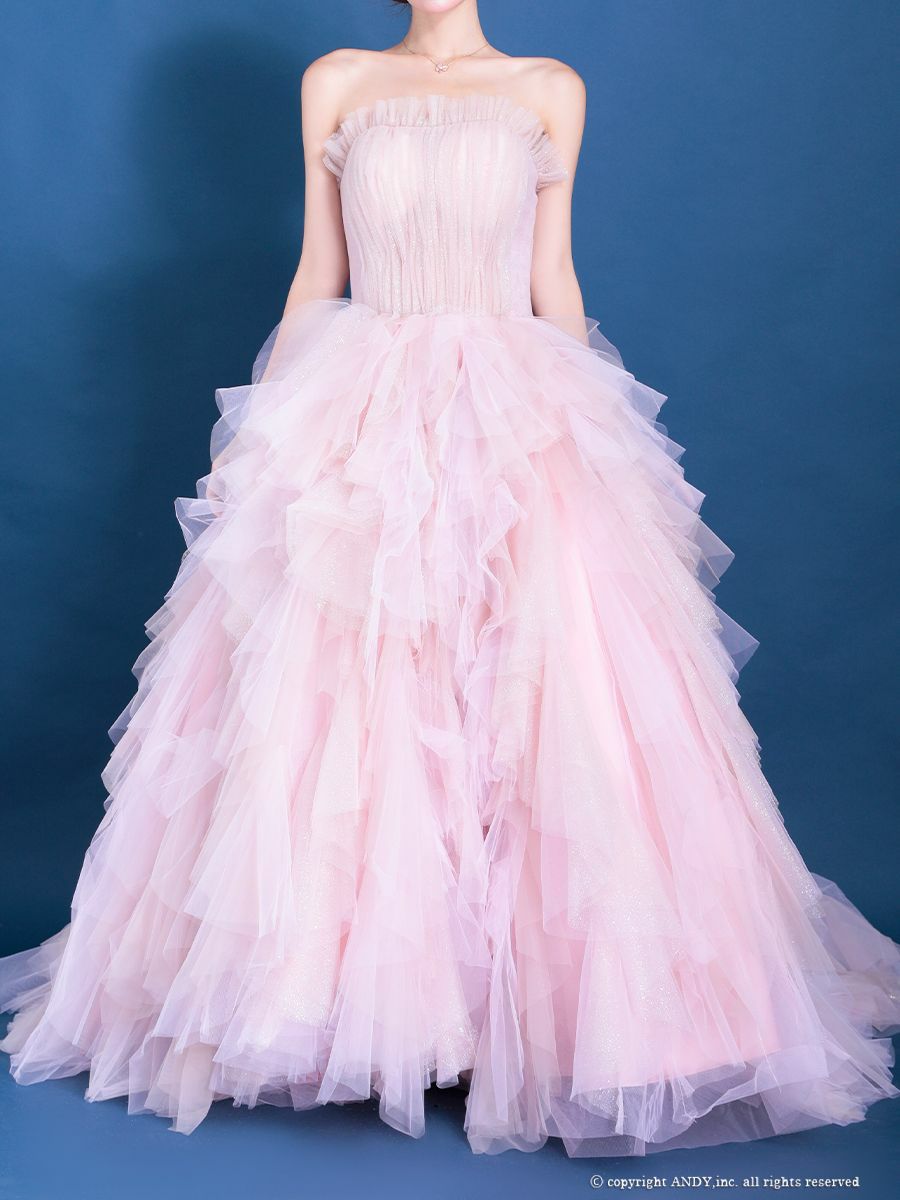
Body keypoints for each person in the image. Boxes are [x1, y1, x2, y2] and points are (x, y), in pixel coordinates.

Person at [1, 0, 898, 1159]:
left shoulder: (548, 87)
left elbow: (553, 274)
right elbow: (319, 271)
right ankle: (372, 1007)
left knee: (545, 700)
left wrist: (607, 450)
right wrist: (260, 432)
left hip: (514, 403)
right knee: (355, 698)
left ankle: (548, 1020)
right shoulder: (338, 81)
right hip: (364, 405)